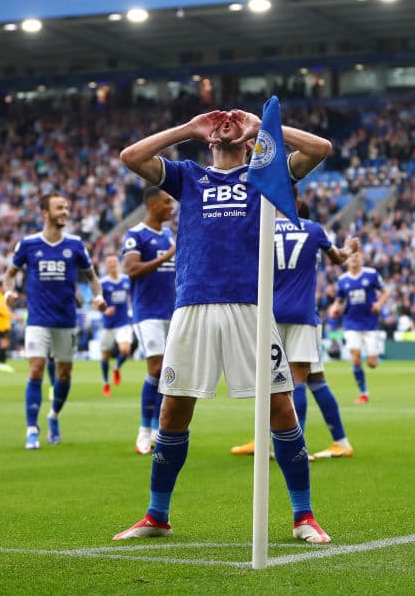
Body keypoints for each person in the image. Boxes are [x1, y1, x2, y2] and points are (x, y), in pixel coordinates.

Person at [113, 107, 333, 544]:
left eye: (236, 124)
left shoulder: (265, 176)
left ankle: (303, 515)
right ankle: (157, 515)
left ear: (249, 141)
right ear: (209, 139)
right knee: (173, 411)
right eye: (220, 123)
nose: (226, 124)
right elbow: (131, 157)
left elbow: (320, 149)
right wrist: (188, 129)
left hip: (250, 307)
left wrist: (264, 127)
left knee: (280, 408)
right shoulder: (188, 176)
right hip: (192, 305)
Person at [232, 193, 359, 459]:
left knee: (273, 380)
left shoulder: (261, 229)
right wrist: (349, 248)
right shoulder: (313, 230)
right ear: (298, 204)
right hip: (302, 315)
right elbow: (338, 258)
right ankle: (300, 443)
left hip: (270, 314)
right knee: (302, 379)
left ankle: (289, 445)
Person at [3, 192, 107, 450]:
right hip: (37, 319)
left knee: (64, 373)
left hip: (66, 320)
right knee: (36, 368)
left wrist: (98, 296)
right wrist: (8, 292)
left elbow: (92, 276)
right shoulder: (28, 244)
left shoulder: (75, 245)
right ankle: (31, 429)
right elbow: (10, 274)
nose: (65, 212)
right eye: (60, 208)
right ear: (45, 213)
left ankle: (54, 416)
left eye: (67, 208)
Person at [122, 186, 177, 454]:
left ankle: (158, 428)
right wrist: (166, 256)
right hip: (147, 312)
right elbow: (131, 270)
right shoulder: (136, 235)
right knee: (155, 369)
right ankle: (144, 431)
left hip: (172, 311)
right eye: (167, 202)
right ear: (153, 205)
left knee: (168, 372)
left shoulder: (168, 234)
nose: (171, 206)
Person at [329, 248, 388, 403]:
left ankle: (370, 357)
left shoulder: (371, 274)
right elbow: (339, 300)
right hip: (351, 323)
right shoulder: (343, 280)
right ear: (347, 260)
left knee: (372, 363)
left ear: (361, 258)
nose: (354, 258)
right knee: (355, 357)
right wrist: (334, 308)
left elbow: (385, 292)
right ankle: (364, 393)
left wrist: (379, 304)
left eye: (357, 255)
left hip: (370, 323)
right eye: (351, 256)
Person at [99, 254, 133, 397]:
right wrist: (105, 310)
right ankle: (106, 382)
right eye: (109, 262)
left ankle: (117, 366)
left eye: (114, 261)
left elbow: (133, 296)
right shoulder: (103, 283)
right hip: (108, 325)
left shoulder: (126, 280)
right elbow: (97, 302)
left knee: (125, 350)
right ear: (106, 265)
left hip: (123, 322)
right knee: (105, 356)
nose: (112, 264)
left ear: (118, 263)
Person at [0, 282, 14, 373]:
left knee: (5, 343)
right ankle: (1, 363)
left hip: (5, 323)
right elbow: (0, 311)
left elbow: (5, 309)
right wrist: (14, 316)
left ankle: (0, 362)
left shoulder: (2, 297)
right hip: (1, 324)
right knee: (4, 343)